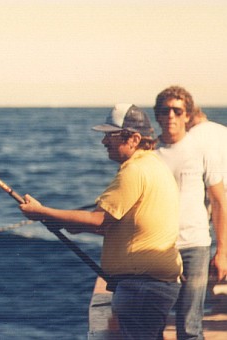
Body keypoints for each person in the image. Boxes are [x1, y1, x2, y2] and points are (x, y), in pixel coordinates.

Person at [19, 103, 182, 339]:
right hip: (152, 285)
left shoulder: (134, 171)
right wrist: (70, 223)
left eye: (111, 135)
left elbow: (98, 220)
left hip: (142, 287)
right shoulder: (154, 165)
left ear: (134, 139)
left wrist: (42, 212)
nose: (104, 142)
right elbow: (117, 226)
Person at [153, 86, 227, 340]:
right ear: (158, 116)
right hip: (157, 249)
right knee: (152, 325)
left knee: (189, 327)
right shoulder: (149, 154)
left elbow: (219, 201)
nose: (171, 116)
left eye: (177, 110)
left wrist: (222, 252)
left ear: (187, 115)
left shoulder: (203, 150)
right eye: (165, 111)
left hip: (195, 247)